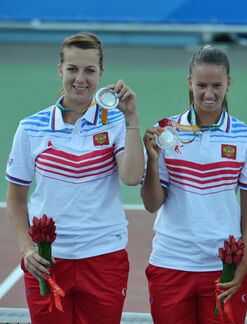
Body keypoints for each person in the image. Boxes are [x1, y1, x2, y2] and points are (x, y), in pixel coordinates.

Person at [6, 32, 144, 323]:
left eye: (89, 70)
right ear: (60, 70)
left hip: (104, 257)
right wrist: (28, 248)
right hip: (47, 261)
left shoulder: (116, 122)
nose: (80, 79)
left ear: (101, 73)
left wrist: (132, 119)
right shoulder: (31, 127)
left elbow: (132, 177)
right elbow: (17, 198)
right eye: (72, 69)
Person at [140, 45, 247, 324]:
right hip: (171, 263)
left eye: (217, 85)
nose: (209, 94)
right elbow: (151, 204)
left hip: (223, 267)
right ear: (189, 83)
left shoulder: (246, 138)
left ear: (228, 83)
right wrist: (153, 160)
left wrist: (242, 267)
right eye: (201, 85)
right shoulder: (166, 132)